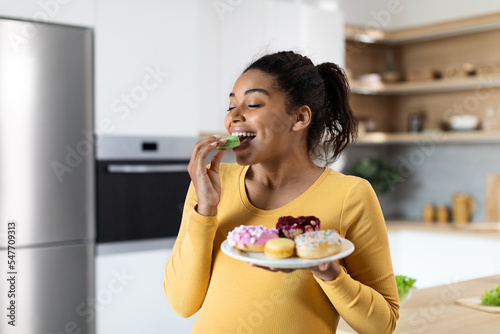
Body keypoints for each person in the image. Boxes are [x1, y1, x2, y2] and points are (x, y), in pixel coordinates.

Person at [163, 51, 399, 334]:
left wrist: (329, 272)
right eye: (230, 107)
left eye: (252, 104)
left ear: (299, 118)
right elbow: (181, 304)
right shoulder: (212, 184)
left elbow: (382, 325)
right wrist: (205, 212)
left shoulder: (350, 195)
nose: (234, 117)